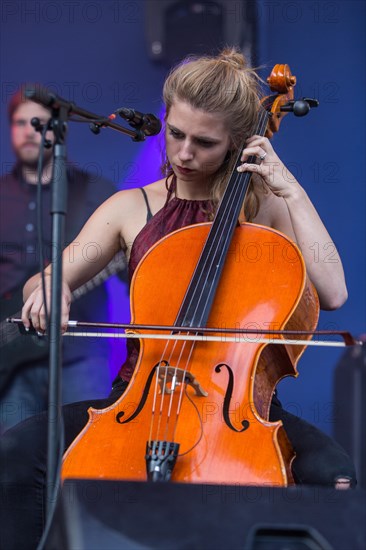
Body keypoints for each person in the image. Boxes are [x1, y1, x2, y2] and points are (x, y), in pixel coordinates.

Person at [0, 49, 356, 549]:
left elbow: (335, 292)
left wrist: (291, 191)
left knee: (335, 475)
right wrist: (52, 289)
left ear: (236, 143)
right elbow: (46, 279)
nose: (183, 153)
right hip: (138, 397)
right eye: (176, 134)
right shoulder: (132, 207)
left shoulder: (266, 209)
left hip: (241, 406)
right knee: (17, 452)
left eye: (204, 143)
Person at [0, 88, 123, 432]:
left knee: (83, 454)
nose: (28, 131)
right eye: (19, 122)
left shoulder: (98, 193)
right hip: (10, 363)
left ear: (59, 129)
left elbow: (136, 268)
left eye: (38, 123)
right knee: (12, 464)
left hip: (80, 355)